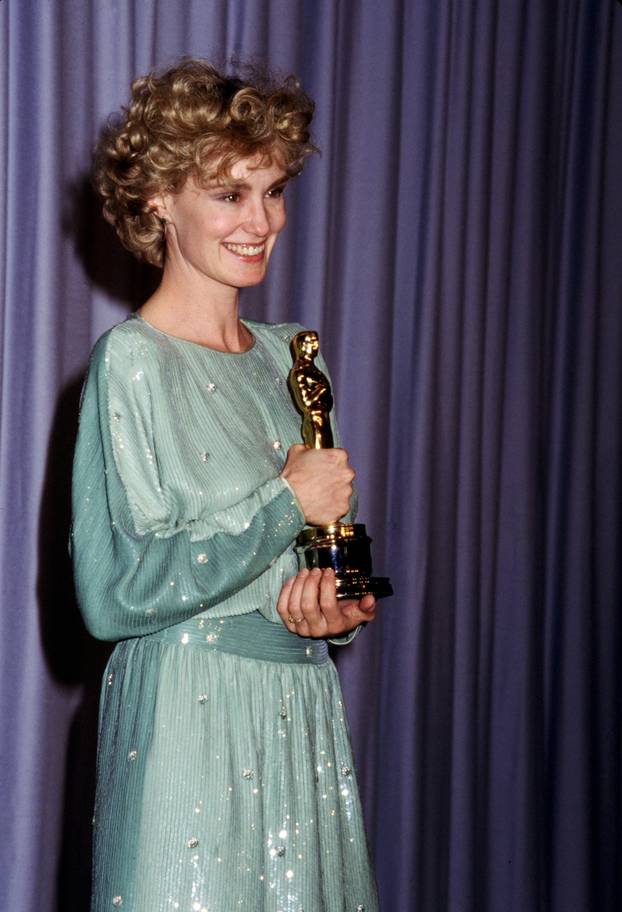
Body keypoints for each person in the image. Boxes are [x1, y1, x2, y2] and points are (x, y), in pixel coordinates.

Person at [72, 57, 378, 912]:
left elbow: (328, 551)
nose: (262, 221)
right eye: (230, 194)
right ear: (159, 200)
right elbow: (113, 593)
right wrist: (283, 503)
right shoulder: (131, 363)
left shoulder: (293, 357)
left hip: (301, 714)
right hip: (189, 726)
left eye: (273, 190)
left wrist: (334, 606)